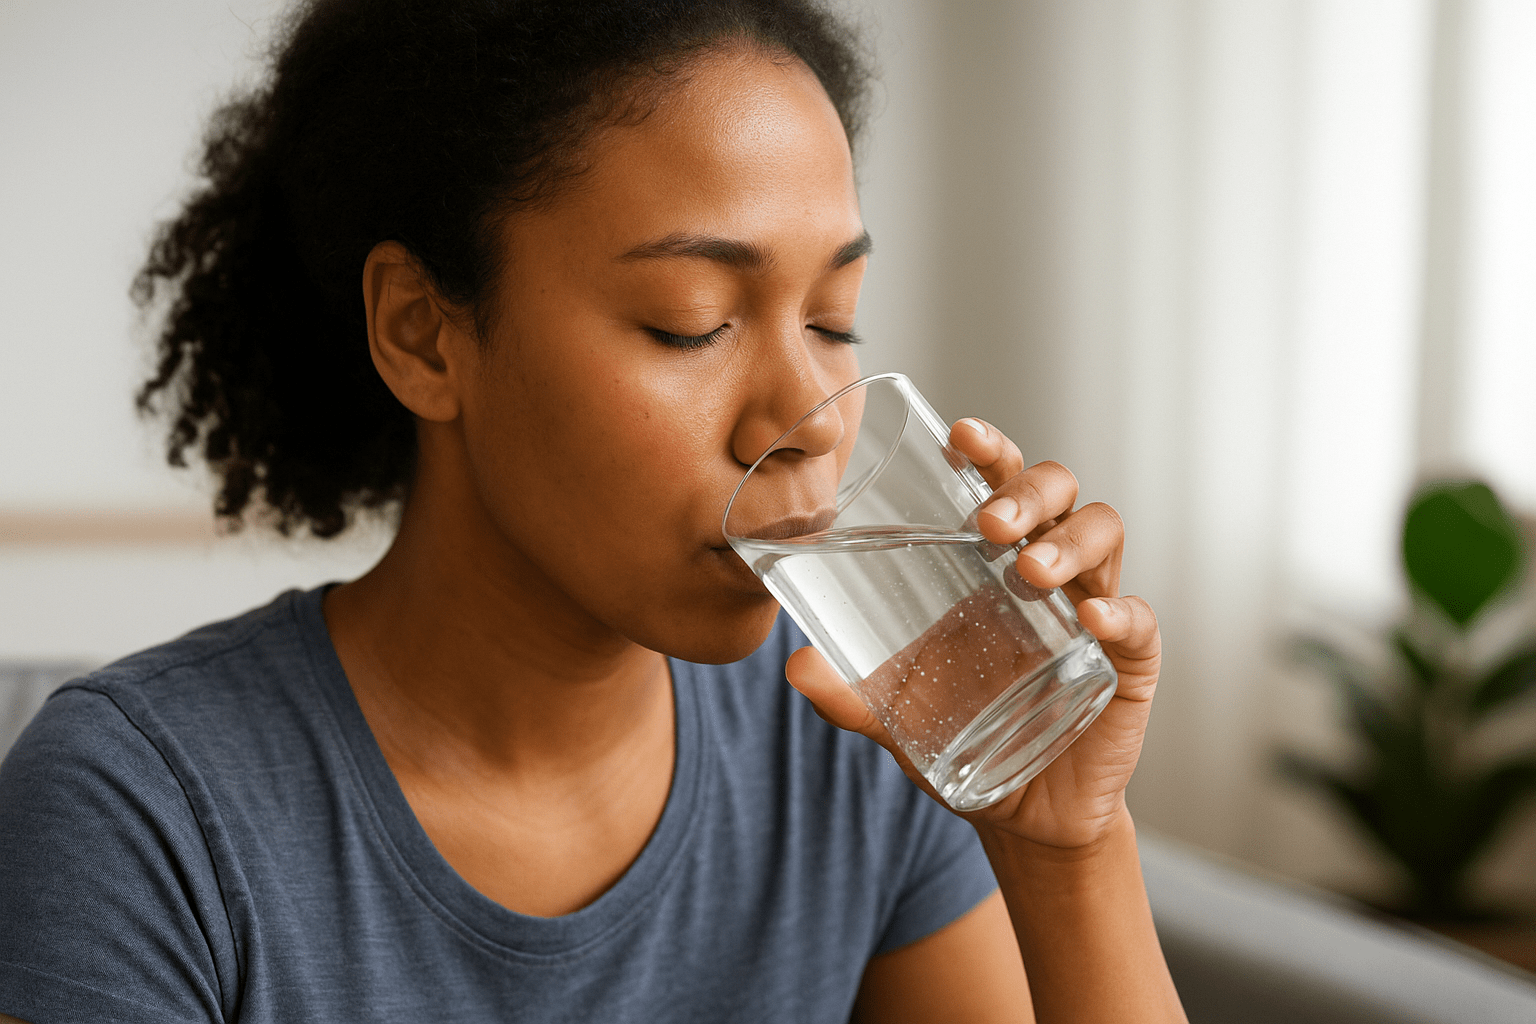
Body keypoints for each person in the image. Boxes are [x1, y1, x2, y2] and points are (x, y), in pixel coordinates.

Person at [0, 1, 1185, 1020]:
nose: (813, 414)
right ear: (424, 331)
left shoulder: (867, 739)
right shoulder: (142, 811)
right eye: (690, 321)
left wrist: (1070, 850)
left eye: (833, 319)